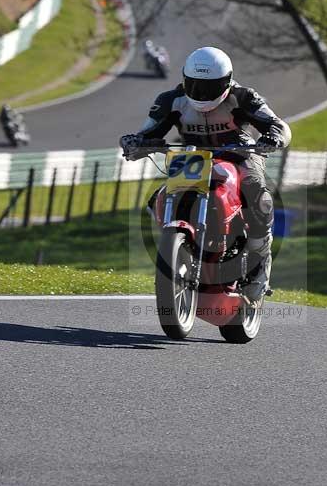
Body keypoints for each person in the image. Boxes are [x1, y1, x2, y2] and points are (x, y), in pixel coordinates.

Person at [120, 46, 291, 303]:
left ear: (227, 81)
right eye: (195, 85)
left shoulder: (244, 97)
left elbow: (277, 124)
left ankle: (259, 262)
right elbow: (149, 131)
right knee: (156, 199)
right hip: (193, 156)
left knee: (258, 194)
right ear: (184, 79)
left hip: (241, 154)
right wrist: (136, 143)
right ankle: (180, 246)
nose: (201, 94)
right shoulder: (170, 100)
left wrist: (273, 137)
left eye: (209, 87)